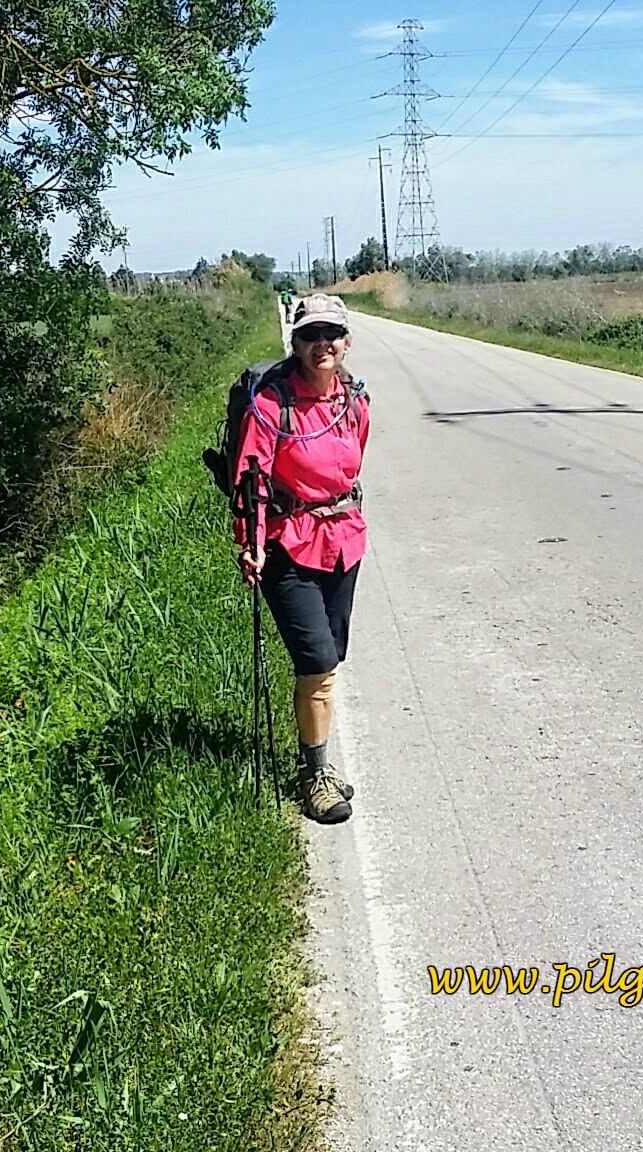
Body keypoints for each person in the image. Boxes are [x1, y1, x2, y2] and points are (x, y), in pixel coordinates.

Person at [232, 294, 369, 825]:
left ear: (346, 342)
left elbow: (353, 468)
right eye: (311, 335)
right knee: (316, 661)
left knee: (331, 655)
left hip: (344, 543)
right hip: (287, 545)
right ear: (296, 343)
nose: (322, 345)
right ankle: (315, 775)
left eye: (332, 334)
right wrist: (252, 541)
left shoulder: (355, 401)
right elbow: (251, 481)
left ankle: (315, 762)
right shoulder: (271, 408)